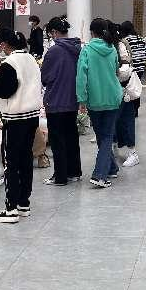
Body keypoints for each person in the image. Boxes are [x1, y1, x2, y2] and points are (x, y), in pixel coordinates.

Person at [0, 28, 43, 224]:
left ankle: (10, 209)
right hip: (32, 115)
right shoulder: (31, 59)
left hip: (15, 117)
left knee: (11, 162)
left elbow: (4, 90)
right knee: (26, 158)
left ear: (5, 44)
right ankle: (23, 203)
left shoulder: (10, 63)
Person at [76, 18, 124, 188]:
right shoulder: (112, 49)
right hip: (113, 97)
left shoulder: (87, 50)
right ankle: (111, 168)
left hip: (94, 100)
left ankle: (99, 174)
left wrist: (81, 99)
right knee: (106, 136)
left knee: (102, 136)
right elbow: (116, 72)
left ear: (92, 32)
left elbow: (81, 77)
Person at [41, 16, 82, 186]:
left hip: (56, 100)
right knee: (71, 136)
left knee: (57, 140)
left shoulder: (53, 51)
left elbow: (45, 77)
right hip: (72, 98)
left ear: (54, 32)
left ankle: (60, 176)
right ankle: (74, 172)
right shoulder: (78, 48)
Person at [116, 22, 145, 167]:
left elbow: (125, 65)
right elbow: (143, 54)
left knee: (125, 117)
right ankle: (118, 147)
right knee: (128, 112)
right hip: (137, 72)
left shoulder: (122, 43)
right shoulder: (139, 39)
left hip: (125, 82)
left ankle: (130, 151)